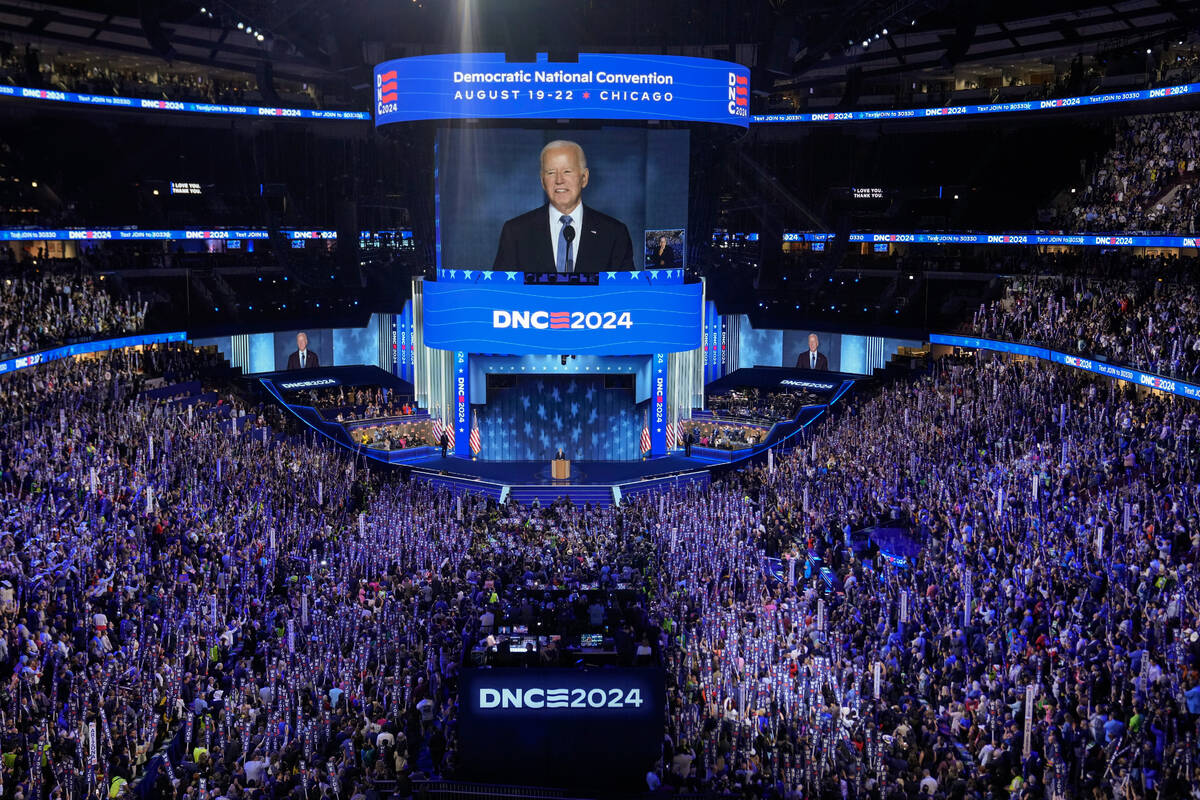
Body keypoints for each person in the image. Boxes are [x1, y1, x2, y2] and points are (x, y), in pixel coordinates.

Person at [493, 140, 634, 273]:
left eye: (567, 171)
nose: (559, 180)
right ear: (543, 181)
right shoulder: (516, 232)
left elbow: (626, 293)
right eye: (551, 173)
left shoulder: (614, 233)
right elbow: (500, 292)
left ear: (584, 178)